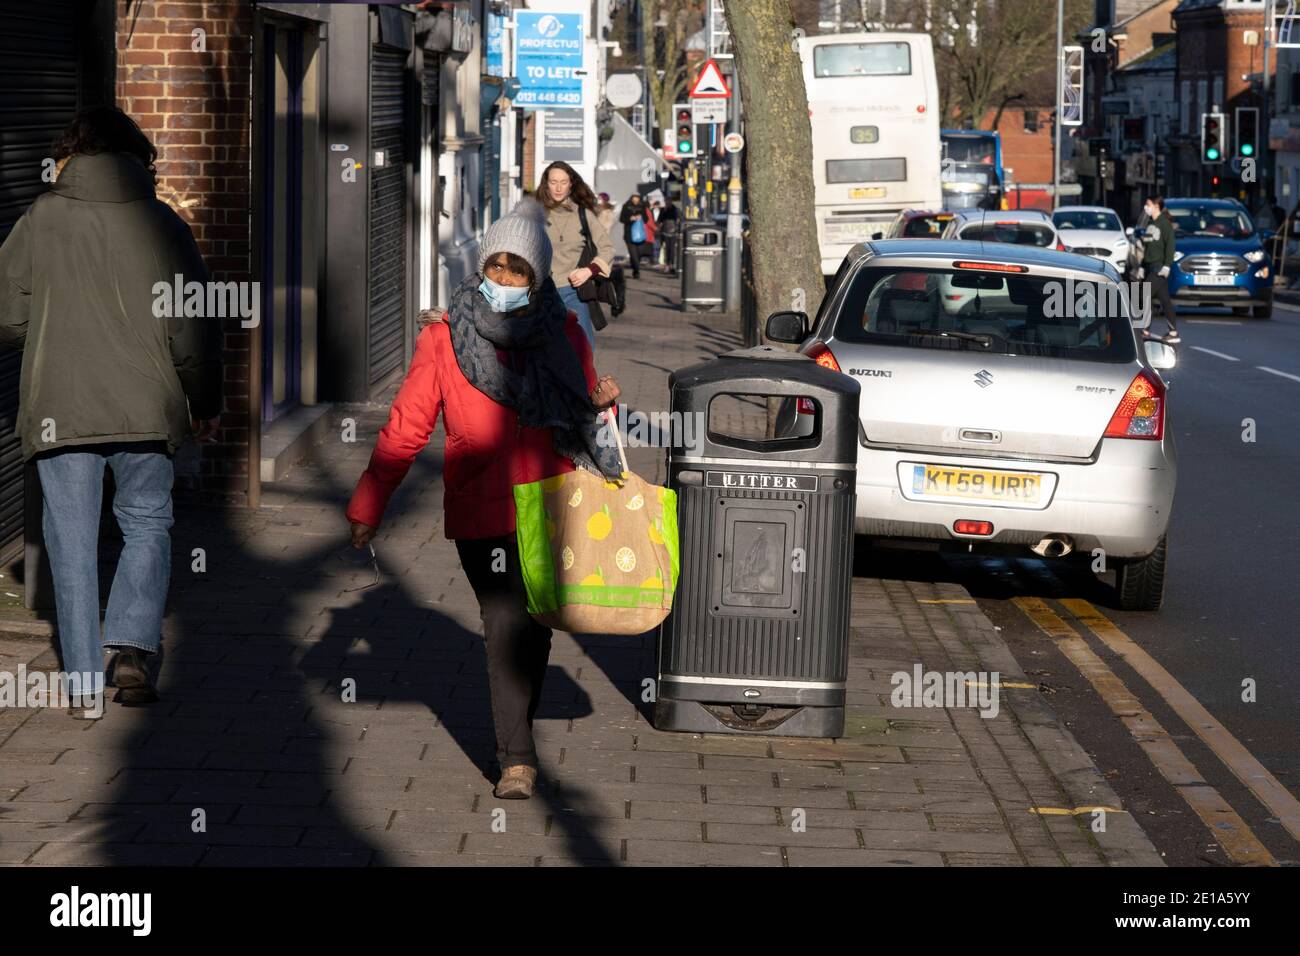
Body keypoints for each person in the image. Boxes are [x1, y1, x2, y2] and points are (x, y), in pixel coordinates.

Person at [346, 198, 623, 801]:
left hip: (551, 507)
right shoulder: (443, 338)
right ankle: (516, 759)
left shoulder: (565, 333)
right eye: (494, 268)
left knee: (537, 624)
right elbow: (406, 426)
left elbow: (581, 419)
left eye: (516, 271)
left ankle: (516, 729)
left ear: (537, 277)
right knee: (503, 623)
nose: (502, 280)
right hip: (484, 510)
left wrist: (602, 404)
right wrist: (370, 502)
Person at [0, 106, 222, 711]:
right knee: (147, 524)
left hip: (61, 408)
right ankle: (131, 650)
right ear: (136, 160)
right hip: (148, 407)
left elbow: (7, 317)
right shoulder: (163, 224)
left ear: (70, 157)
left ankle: (81, 682)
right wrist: (205, 401)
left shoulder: (39, 221)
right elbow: (193, 328)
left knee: (69, 540)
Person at [535, 162, 613, 350]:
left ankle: (583, 381)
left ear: (571, 184)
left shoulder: (583, 214)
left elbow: (607, 248)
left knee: (582, 349)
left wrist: (589, 271)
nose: (559, 187)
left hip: (575, 293)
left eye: (563, 182)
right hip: (541, 293)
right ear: (546, 184)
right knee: (542, 351)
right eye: (553, 182)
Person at [1139, 196, 1179, 343]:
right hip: (1149, 266)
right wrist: (1142, 267)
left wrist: (1167, 265)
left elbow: (1170, 246)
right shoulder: (1151, 223)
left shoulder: (1164, 225)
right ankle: (1173, 332)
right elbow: (1148, 247)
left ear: (1156, 206)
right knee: (1164, 300)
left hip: (1159, 267)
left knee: (1144, 294)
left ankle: (1144, 329)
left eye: (1148, 204)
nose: (1145, 207)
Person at [620, 192, 651, 278]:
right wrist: (630, 218)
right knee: (633, 254)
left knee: (639, 253)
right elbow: (621, 219)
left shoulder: (642, 207)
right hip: (629, 234)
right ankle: (636, 271)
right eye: (634, 197)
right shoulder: (626, 206)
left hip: (640, 234)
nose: (635, 199)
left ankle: (635, 265)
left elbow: (646, 220)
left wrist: (641, 217)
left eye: (637, 197)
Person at [657, 197, 681, 276]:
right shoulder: (663, 210)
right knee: (667, 249)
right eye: (666, 201)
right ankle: (668, 264)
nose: (668, 202)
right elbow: (659, 220)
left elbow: (678, 219)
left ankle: (672, 265)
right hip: (665, 231)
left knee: (672, 249)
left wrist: (677, 226)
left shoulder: (675, 209)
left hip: (673, 231)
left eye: (669, 201)